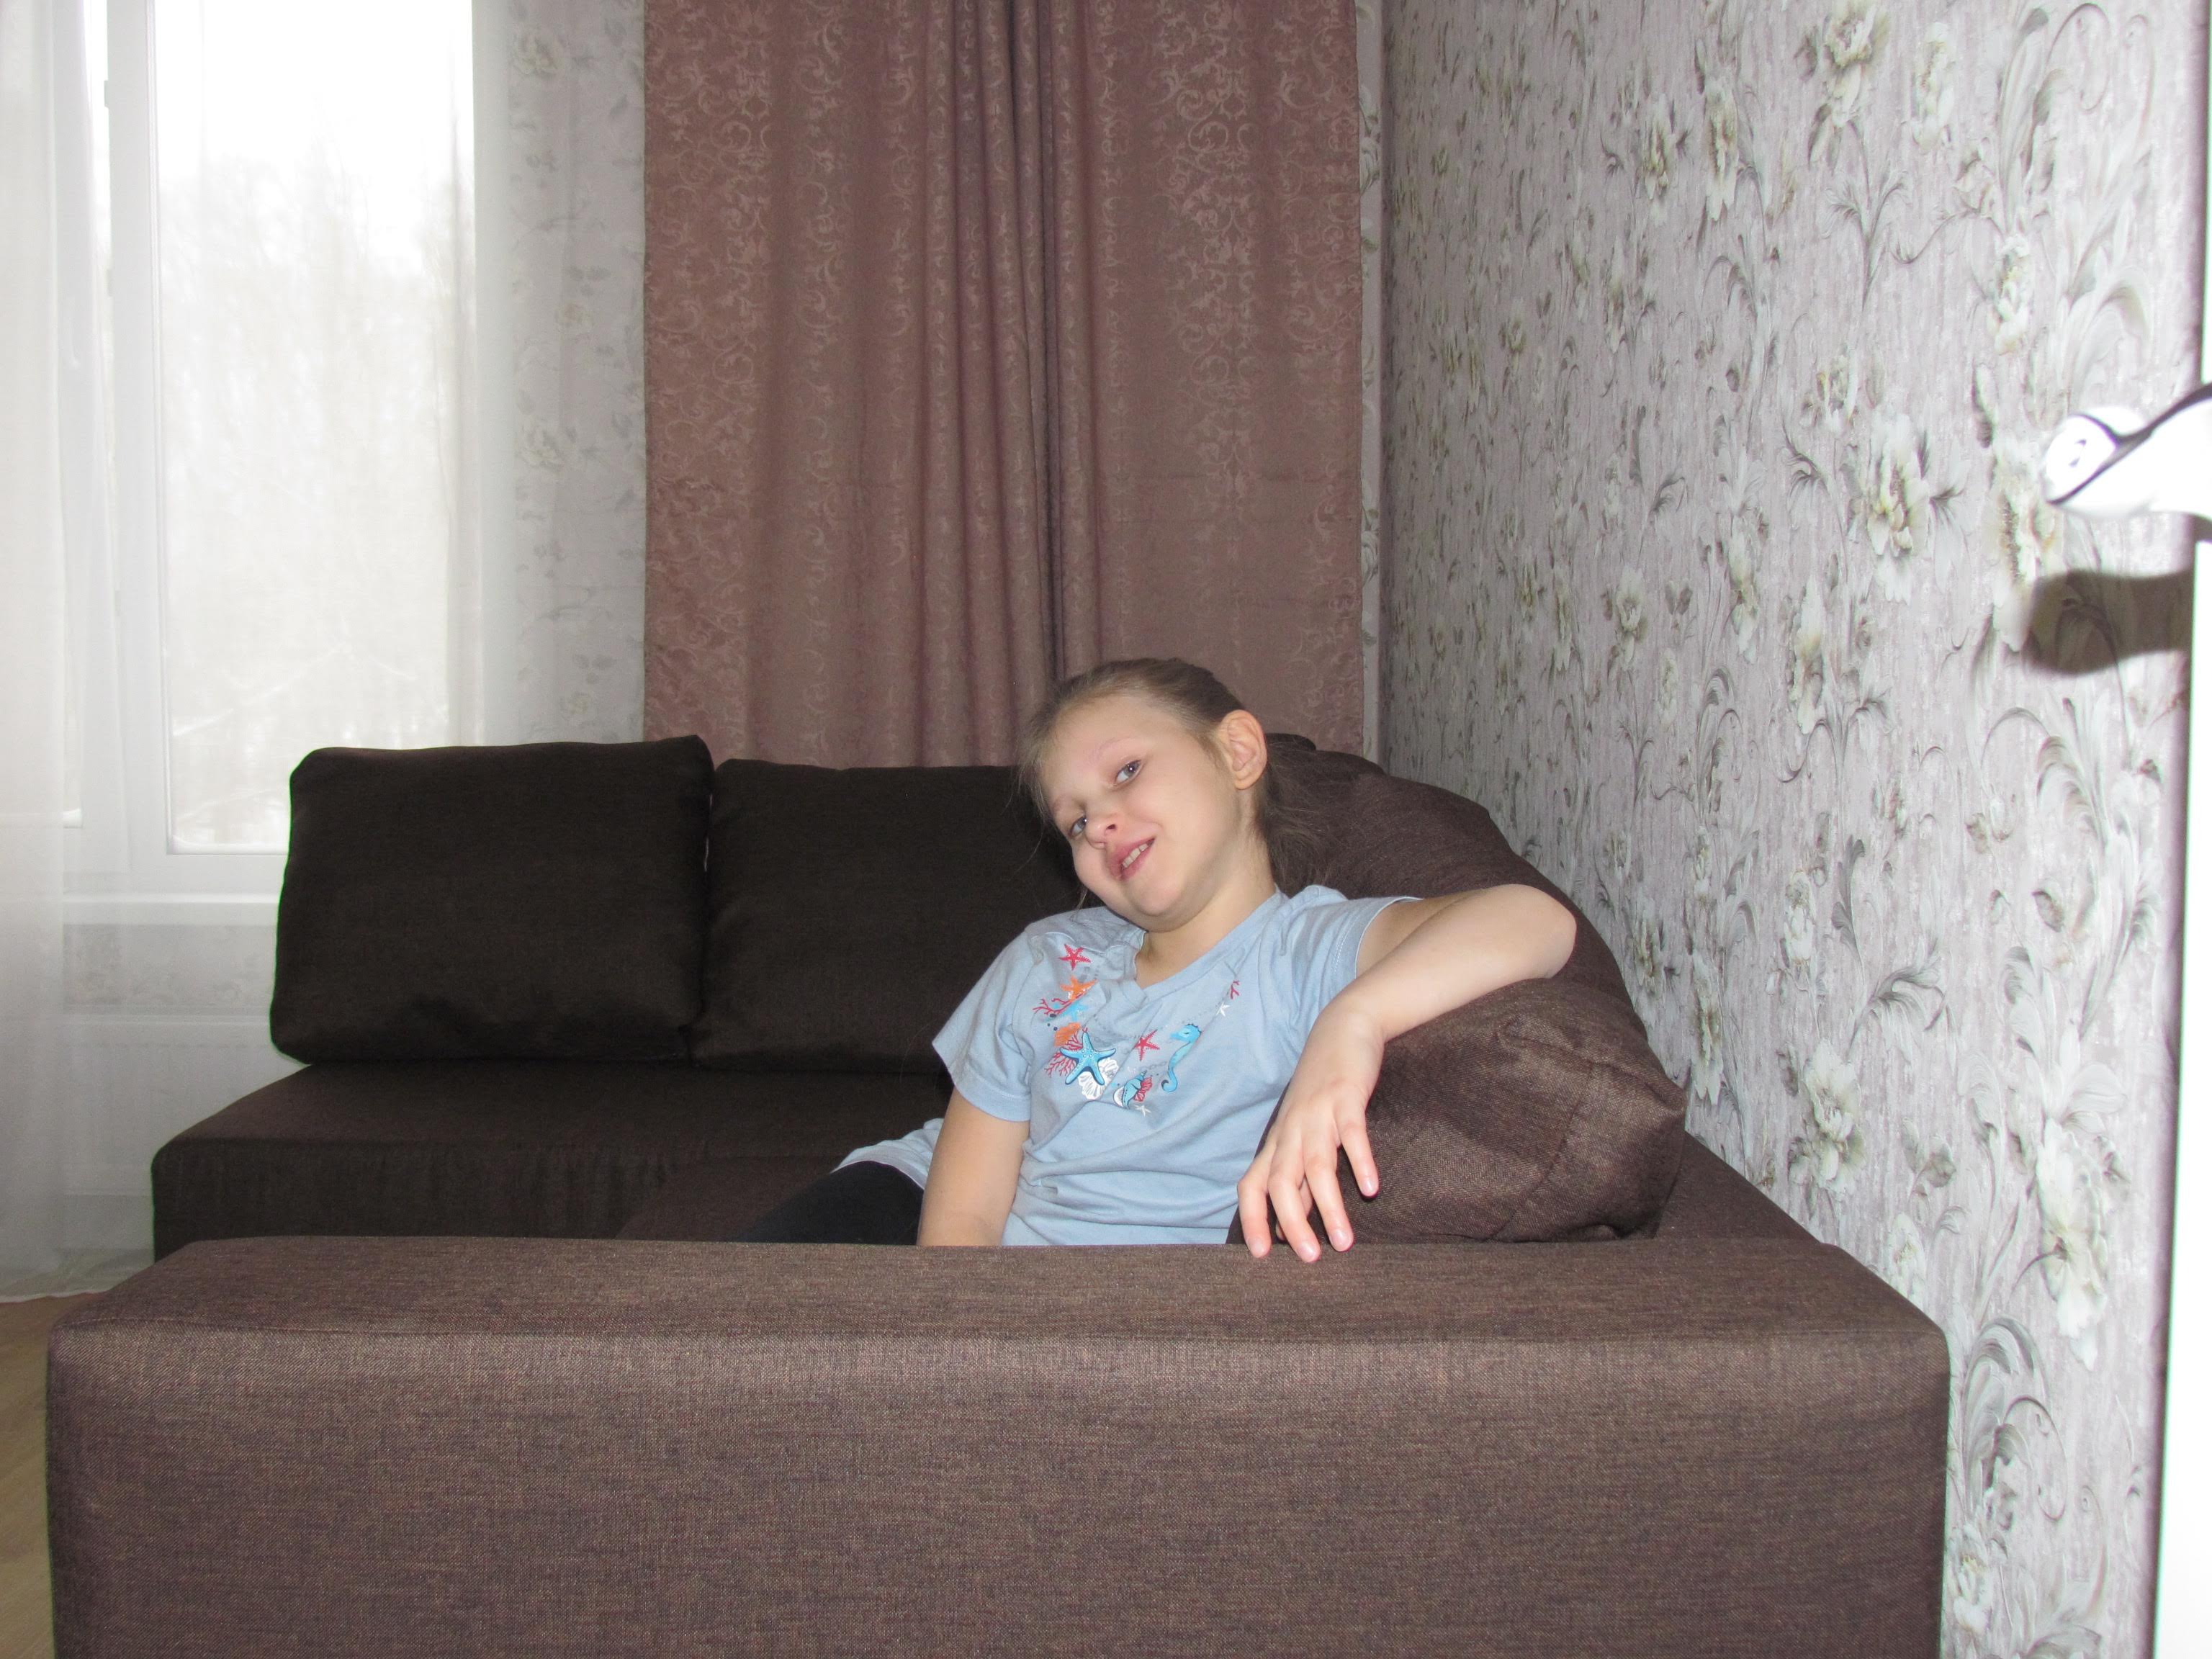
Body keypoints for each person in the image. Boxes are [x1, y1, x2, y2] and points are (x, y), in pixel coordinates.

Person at [739, 658, 1577, 1260]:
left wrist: (1352, 1023)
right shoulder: (1047, 959)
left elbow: (1533, 919)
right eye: (1076, 821)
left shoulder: (1303, 951)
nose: (1101, 822)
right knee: (716, 1330)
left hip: (1123, 1289)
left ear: (1237, 752)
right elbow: (960, 1222)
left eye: (1128, 770)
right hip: (926, 1207)